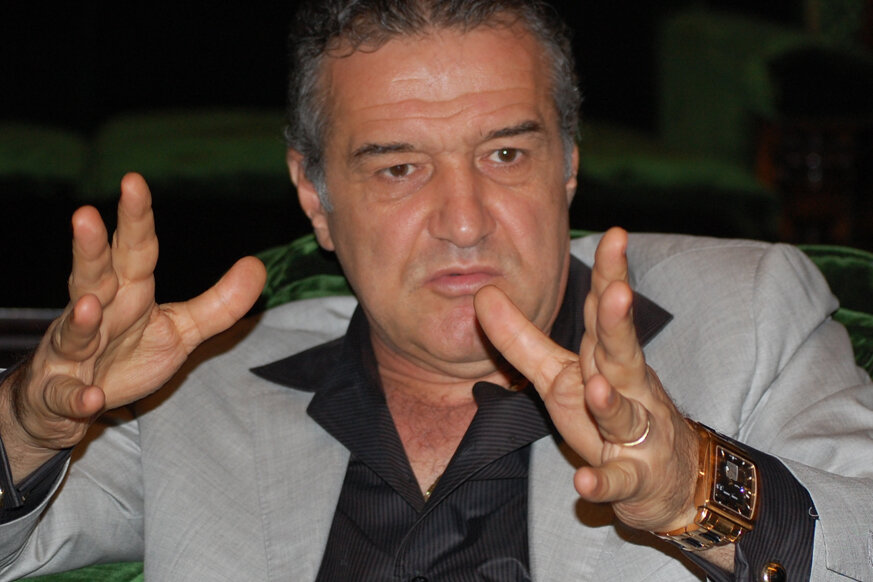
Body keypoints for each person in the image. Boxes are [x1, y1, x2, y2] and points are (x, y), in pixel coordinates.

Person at [1, 0, 872, 580]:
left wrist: (694, 488)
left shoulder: (746, 311)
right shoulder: (198, 391)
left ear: (568, 165)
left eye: (505, 154)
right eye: (399, 168)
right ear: (315, 197)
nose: (463, 220)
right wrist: (27, 424)